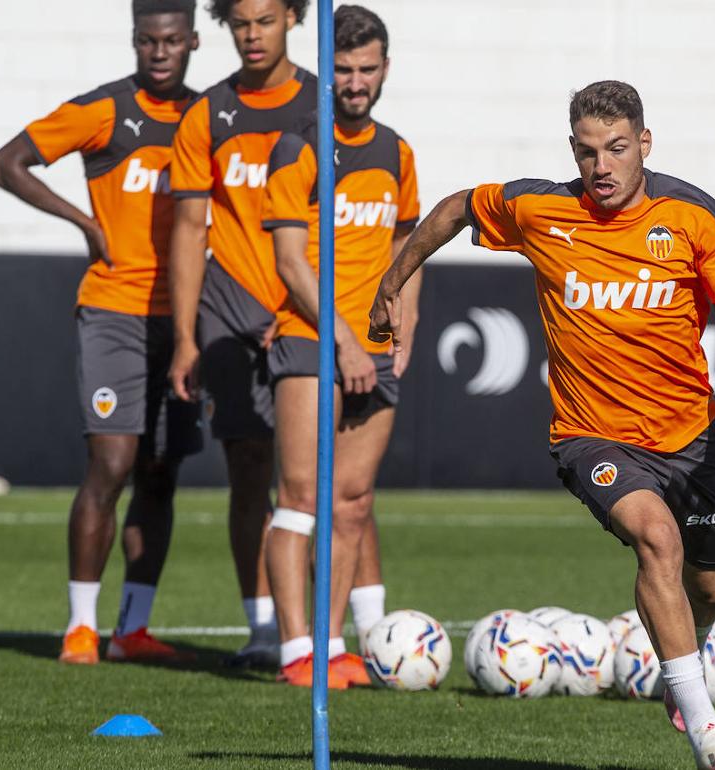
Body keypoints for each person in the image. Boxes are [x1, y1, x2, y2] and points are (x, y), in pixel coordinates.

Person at [371, 80, 715, 770]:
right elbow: (452, 210)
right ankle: (708, 732)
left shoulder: (693, 216)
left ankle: (680, 671)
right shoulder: (541, 208)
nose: (603, 166)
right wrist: (392, 280)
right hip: (591, 436)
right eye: (589, 152)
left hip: (689, 437)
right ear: (573, 150)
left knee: (711, 588)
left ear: (643, 143)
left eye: (617, 149)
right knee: (657, 539)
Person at [0, 0, 203, 664]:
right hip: (114, 309)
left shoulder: (209, 117)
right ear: (134, 43)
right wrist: (84, 221)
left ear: (192, 40)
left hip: (188, 316)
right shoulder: (105, 111)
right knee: (111, 464)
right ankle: (81, 625)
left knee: (161, 474)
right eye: (146, 42)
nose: (158, 52)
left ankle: (132, 629)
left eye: (169, 41)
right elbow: (6, 163)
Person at [167, 0, 377, 668]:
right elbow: (189, 229)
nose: (253, 35)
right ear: (226, 27)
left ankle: (365, 627)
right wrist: (185, 336)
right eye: (240, 24)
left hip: (308, 312)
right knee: (249, 469)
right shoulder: (207, 114)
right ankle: (263, 627)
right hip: (231, 308)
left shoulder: (326, 103)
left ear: (292, 18)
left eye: (265, 19)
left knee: (336, 482)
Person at [260, 4, 419, 688]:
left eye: (367, 69)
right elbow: (292, 264)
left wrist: (403, 323)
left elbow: (406, 247)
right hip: (310, 340)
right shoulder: (299, 147)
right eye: (344, 70)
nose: (356, 83)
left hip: (372, 350)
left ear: (386, 69)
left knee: (351, 501)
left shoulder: (397, 151)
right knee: (299, 496)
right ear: (327, 71)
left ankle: (330, 647)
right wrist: (347, 342)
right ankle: (296, 650)